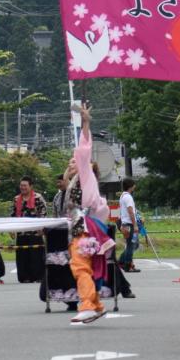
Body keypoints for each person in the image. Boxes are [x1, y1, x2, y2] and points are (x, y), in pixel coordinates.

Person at [64, 104, 113, 325]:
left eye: (74, 161)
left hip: (84, 226)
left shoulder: (86, 173)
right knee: (84, 265)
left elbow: (83, 150)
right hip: (82, 225)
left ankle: (86, 305)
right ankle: (95, 304)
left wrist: (85, 123)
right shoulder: (78, 181)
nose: (72, 162)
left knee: (80, 265)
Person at [41, 173, 80, 311]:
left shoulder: (75, 194)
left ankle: (75, 299)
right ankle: (66, 298)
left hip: (73, 232)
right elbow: (55, 215)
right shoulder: (57, 197)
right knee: (57, 265)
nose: (59, 185)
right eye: (57, 183)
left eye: (61, 182)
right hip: (59, 233)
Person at [12, 176, 46, 283]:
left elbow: (43, 213)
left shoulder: (38, 197)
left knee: (36, 256)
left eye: (25, 185)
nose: (23, 188)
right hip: (21, 232)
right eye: (21, 185)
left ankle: (38, 277)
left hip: (35, 232)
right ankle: (24, 277)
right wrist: (11, 229)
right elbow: (13, 215)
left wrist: (42, 228)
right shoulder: (16, 199)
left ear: (31, 186)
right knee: (22, 256)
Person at [117, 178, 140, 272]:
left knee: (133, 244)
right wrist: (135, 225)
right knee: (132, 244)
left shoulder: (123, 196)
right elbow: (131, 211)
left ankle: (122, 261)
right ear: (131, 186)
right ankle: (127, 265)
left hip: (125, 224)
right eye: (134, 184)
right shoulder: (128, 197)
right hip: (129, 224)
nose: (135, 186)